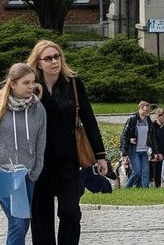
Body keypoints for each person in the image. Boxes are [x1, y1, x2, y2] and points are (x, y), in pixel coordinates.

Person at [26, 39, 107, 245]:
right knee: (41, 216)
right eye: (49, 58)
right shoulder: (31, 87)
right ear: (38, 63)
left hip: (68, 159)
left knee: (70, 212)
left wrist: (100, 155)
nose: (54, 61)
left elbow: (89, 119)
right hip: (38, 161)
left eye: (57, 56)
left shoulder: (73, 83)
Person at [0, 63, 47, 245]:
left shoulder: (37, 107)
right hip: (4, 172)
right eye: (25, 83)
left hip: (28, 174)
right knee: (18, 222)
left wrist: (36, 169)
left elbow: (41, 141)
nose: (31, 87)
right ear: (12, 84)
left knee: (22, 222)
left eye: (33, 82)